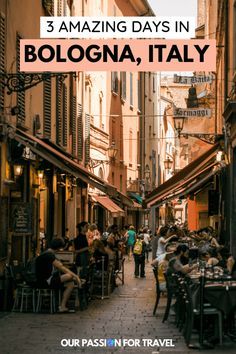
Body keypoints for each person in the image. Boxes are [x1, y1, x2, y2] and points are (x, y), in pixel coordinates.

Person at [35, 237, 82, 313]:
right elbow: (61, 267)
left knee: (70, 283)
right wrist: (76, 277)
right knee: (69, 276)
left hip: (46, 279)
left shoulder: (46, 253)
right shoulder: (49, 256)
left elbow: (59, 265)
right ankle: (62, 305)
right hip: (45, 281)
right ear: (59, 248)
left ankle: (62, 306)